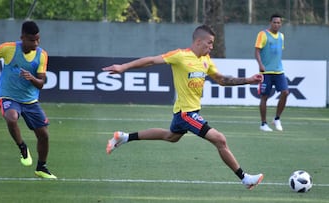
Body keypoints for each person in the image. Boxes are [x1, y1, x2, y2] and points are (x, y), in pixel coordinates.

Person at [103, 25, 264, 190]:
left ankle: (124, 137)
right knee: (220, 139)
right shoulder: (180, 55)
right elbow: (151, 60)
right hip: (186, 113)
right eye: (209, 43)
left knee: (171, 136)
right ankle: (245, 178)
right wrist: (123, 67)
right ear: (198, 41)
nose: (211, 47)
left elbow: (222, 80)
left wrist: (248, 80)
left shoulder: (205, 60)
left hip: (186, 112)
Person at [0, 21, 56, 179]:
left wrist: (31, 78)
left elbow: (42, 83)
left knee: (44, 135)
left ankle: (41, 167)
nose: (36, 43)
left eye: (38, 40)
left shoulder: (41, 54)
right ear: (22, 37)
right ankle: (22, 148)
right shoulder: (9, 48)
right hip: (9, 95)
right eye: (32, 40)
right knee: (11, 117)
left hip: (30, 101)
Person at [255, 14, 289, 132]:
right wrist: (260, 64)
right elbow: (257, 51)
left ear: (281, 24)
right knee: (264, 96)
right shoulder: (263, 34)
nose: (276, 24)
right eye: (274, 22)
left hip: (279, 71)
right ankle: (263, 123)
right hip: (266, 72)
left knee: (285, 92)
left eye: (278, 23)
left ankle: (277, 119)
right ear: (270, 22)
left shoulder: (281, 36)